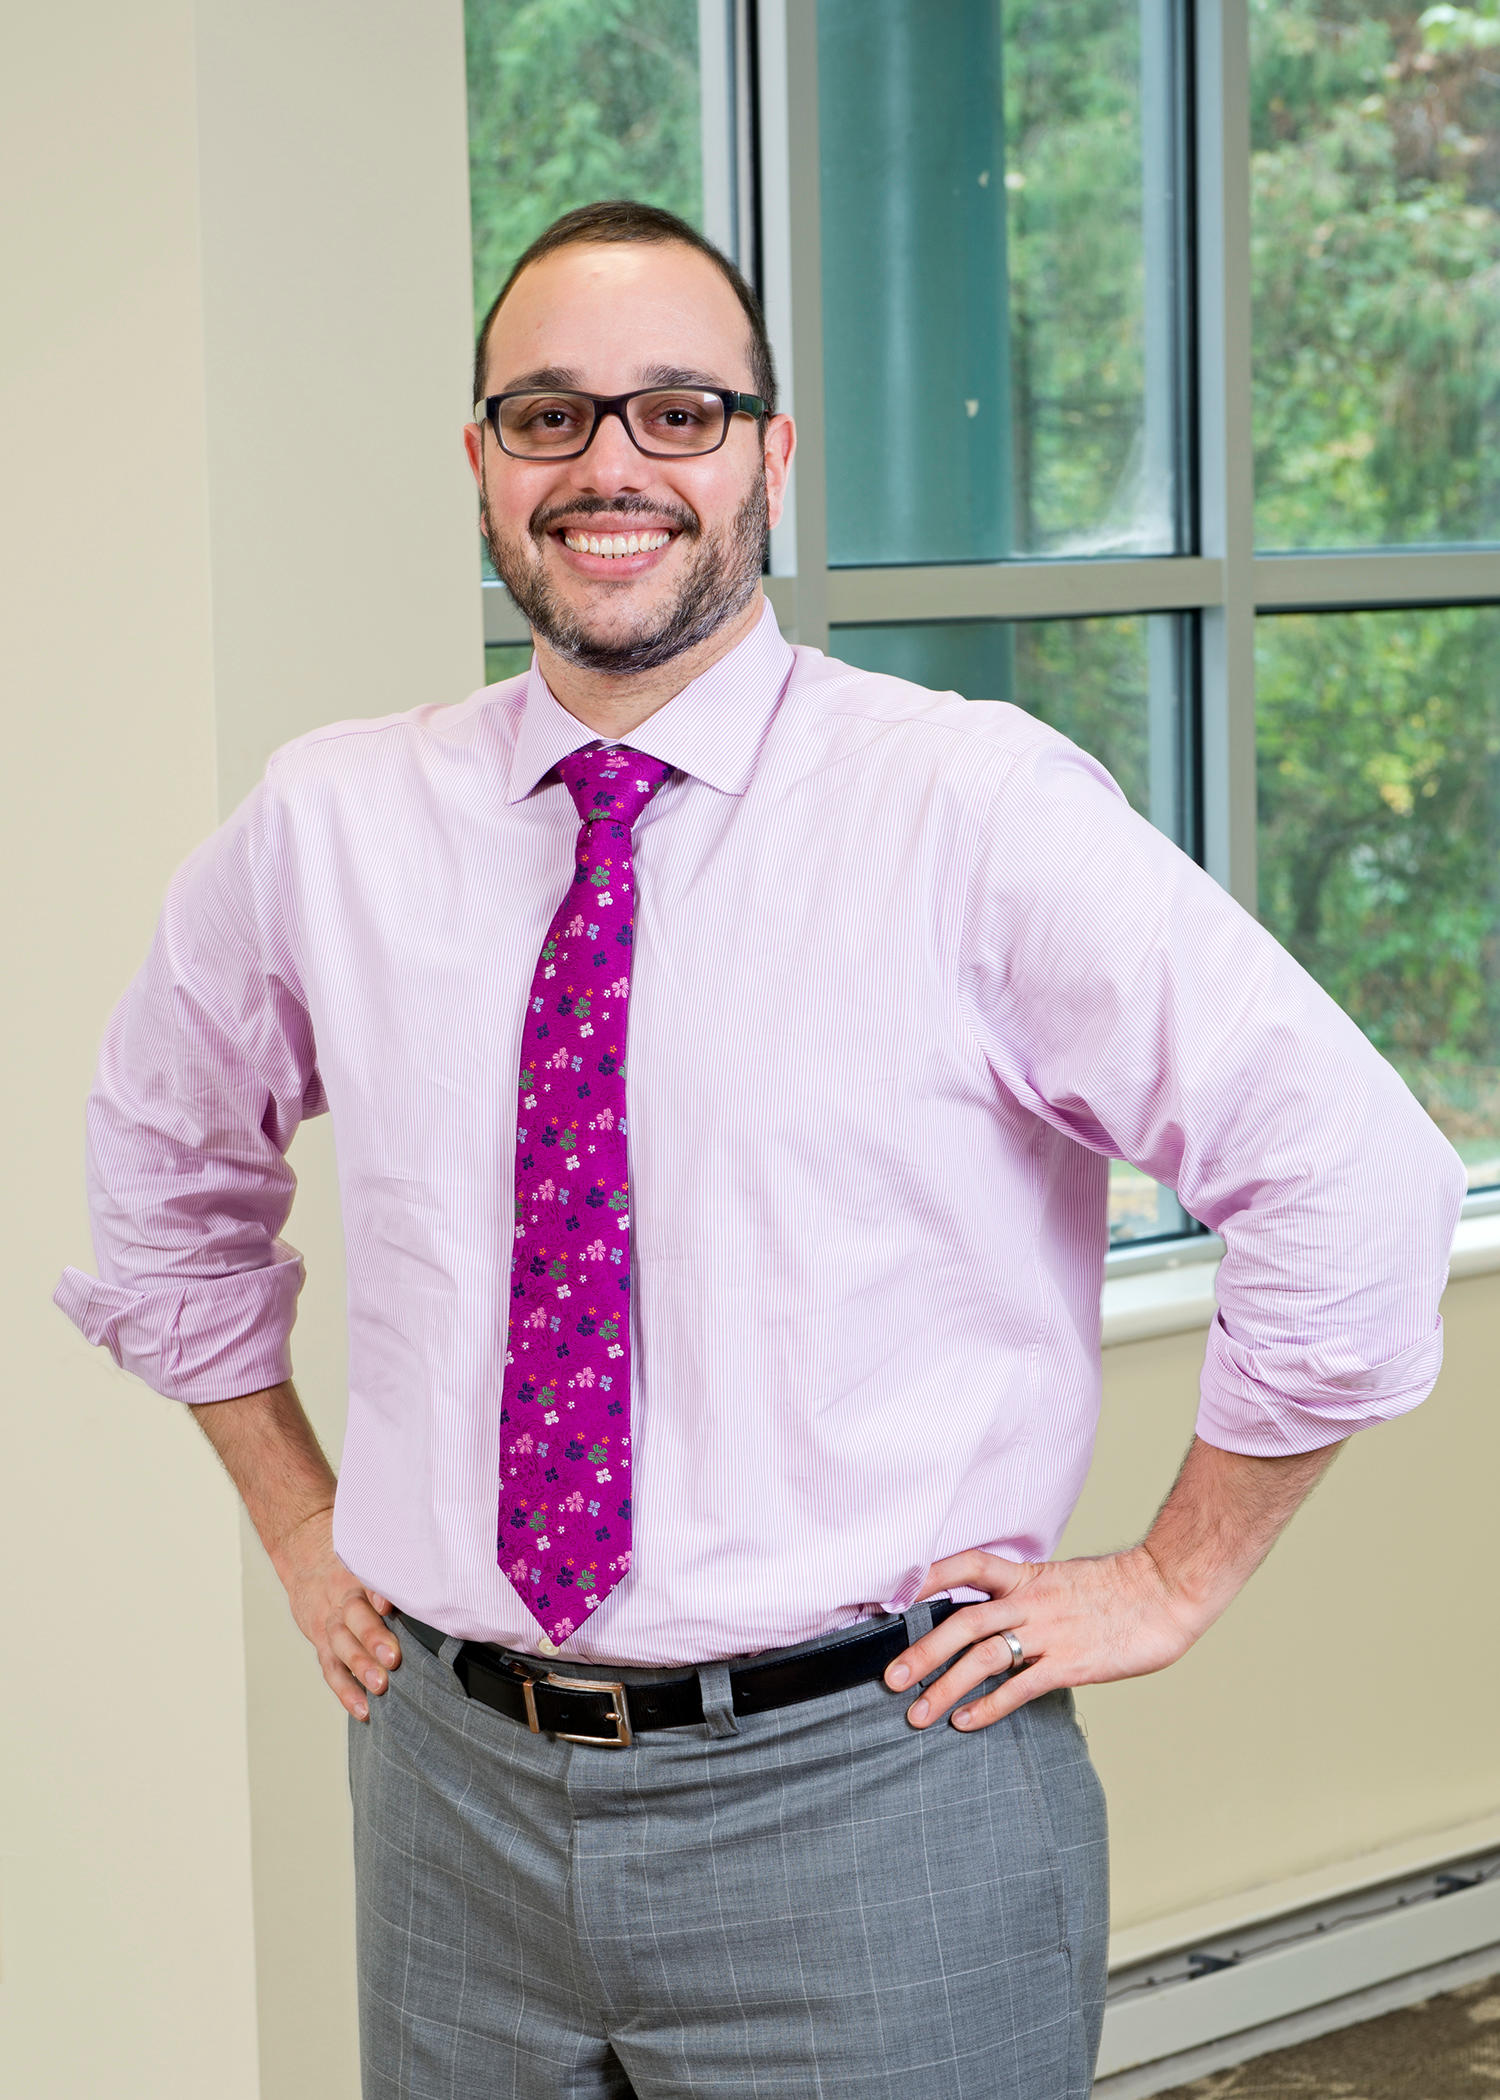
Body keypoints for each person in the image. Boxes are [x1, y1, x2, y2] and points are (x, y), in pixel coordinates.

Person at [56, 199, 1466, 2100]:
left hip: (874, 1794)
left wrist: (1176, 1574)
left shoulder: (968, 806)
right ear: (480, 465)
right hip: (447, 1798)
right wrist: (304, 1523)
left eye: (680, 411)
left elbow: (1351, 1175)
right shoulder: (330, 824)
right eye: (548, 416)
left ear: (772, 459)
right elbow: (158, 1177)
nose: (611, 464)